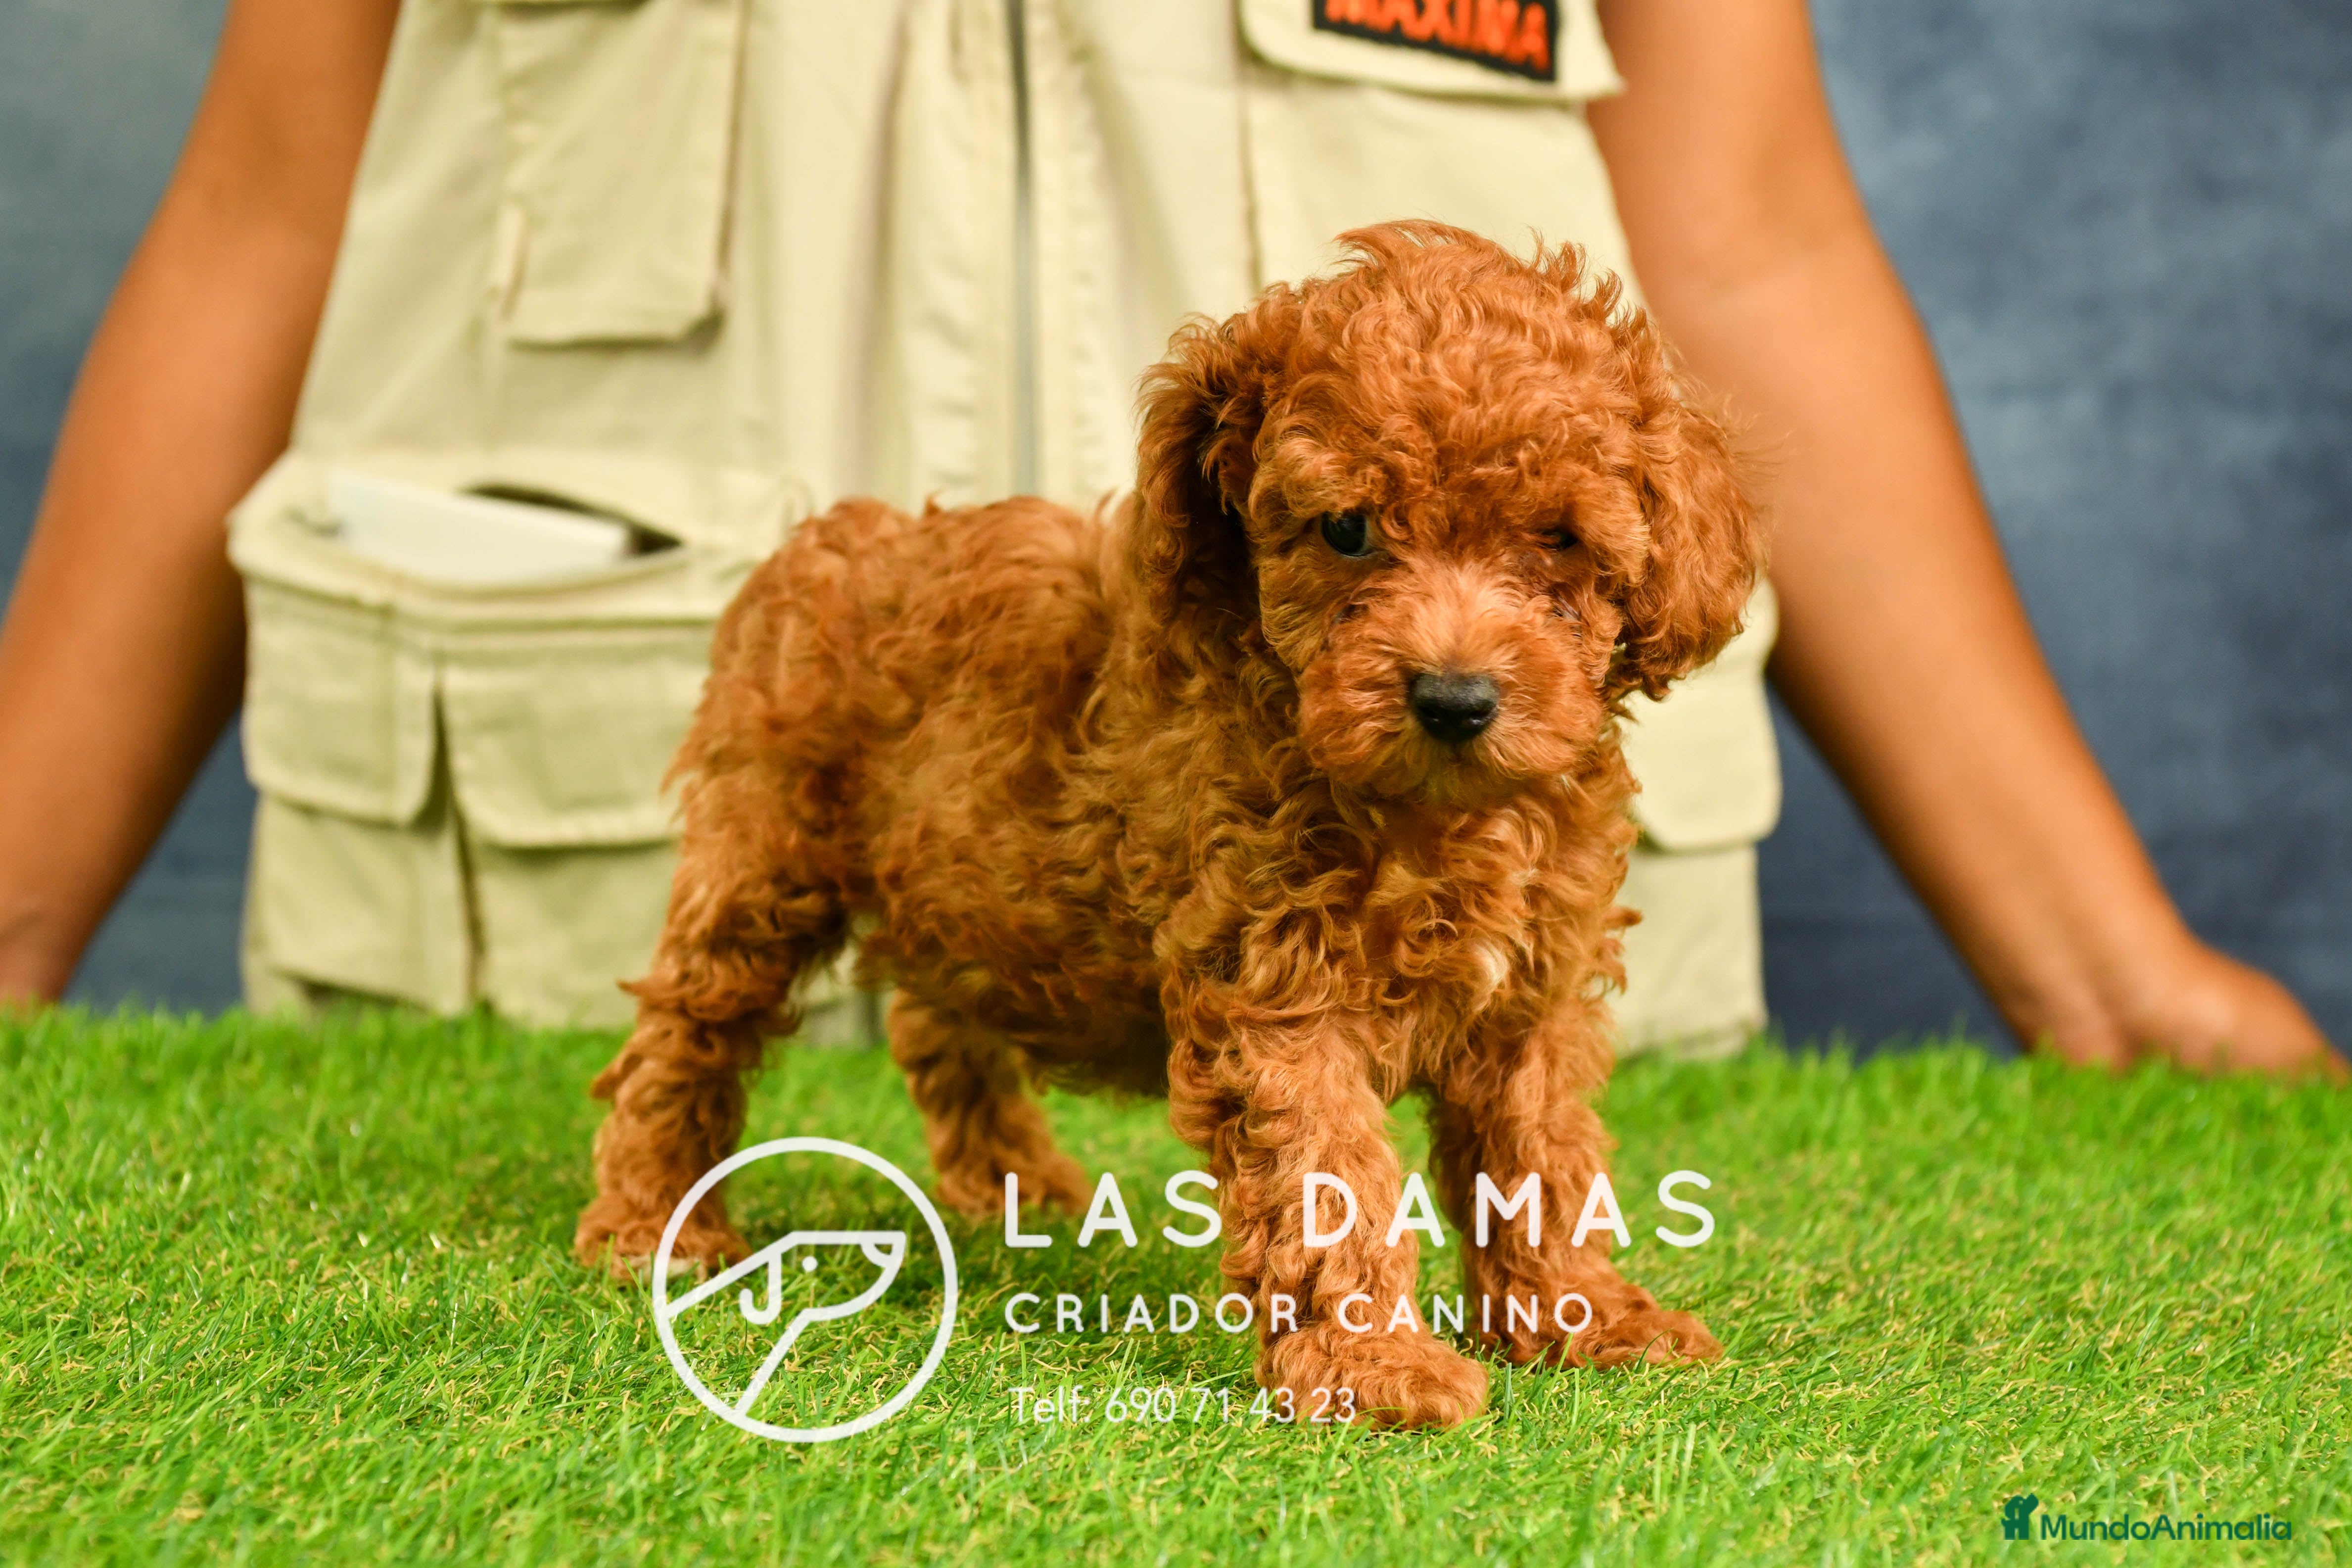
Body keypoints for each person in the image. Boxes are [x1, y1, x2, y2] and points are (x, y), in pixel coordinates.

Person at [0, 0, 2333, 1076]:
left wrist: (2103, 970)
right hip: (577, 919)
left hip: (1428, 906)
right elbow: (268, 214)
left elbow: (1743, 240)